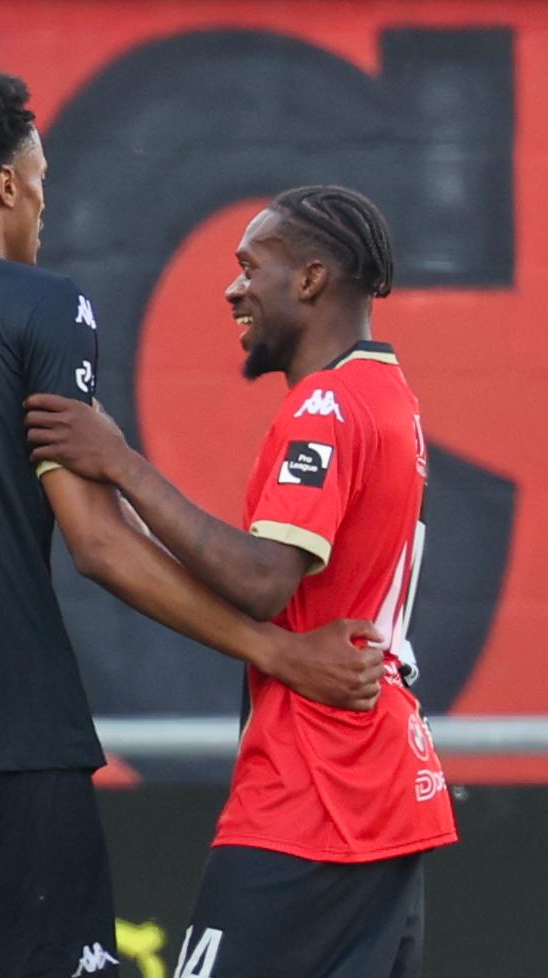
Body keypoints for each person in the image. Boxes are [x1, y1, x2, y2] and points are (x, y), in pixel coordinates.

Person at [0, 66, 385, 978]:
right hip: (1, 747)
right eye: (40, 182)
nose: (42, 205)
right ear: (7, 185)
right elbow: (99, 545)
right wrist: (276, 652)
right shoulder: (42, 304)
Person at [25, 186, 457, 978]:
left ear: (310, 279)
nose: (233, 289)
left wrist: (120, 464)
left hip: (318, 788)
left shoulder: (327, 404)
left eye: (251, 268)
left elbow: (260, 580)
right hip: (379, 785)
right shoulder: (386, 394)